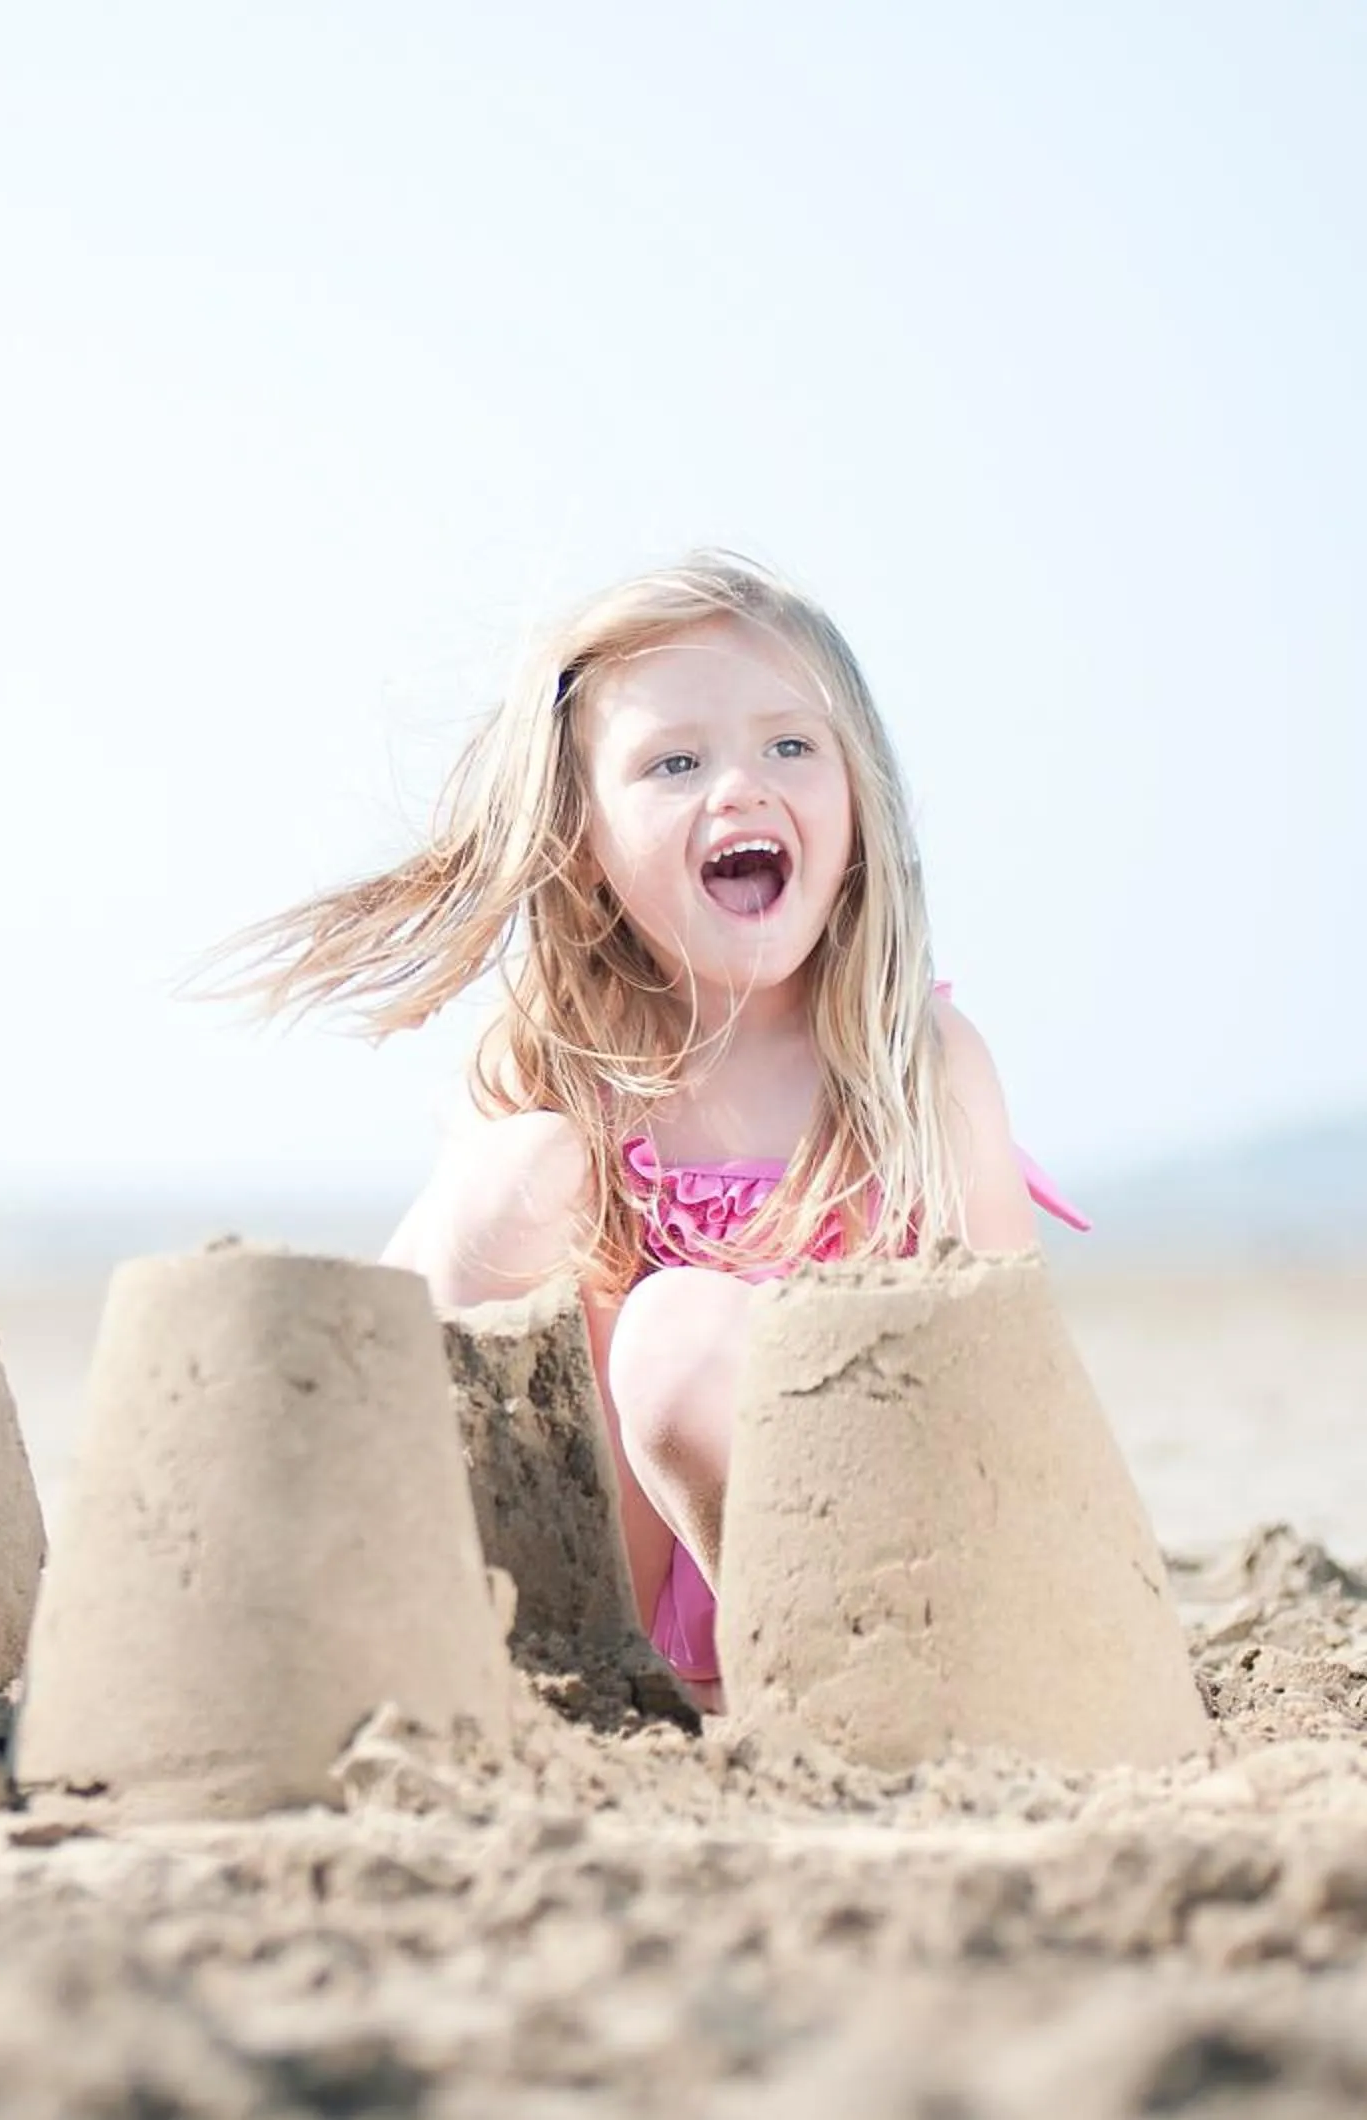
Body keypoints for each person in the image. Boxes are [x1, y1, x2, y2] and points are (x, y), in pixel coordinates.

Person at [217, 550, 1087, 1710]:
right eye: (676, 761)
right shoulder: (554, 1063)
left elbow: (1013, 1377)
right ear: (585, 845)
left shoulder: (917, 1065)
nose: (738, 787)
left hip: (852, 1591)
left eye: (791, 744)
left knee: (683, 1335)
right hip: (592, 1605)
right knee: (518, 1177)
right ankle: (347, 1611)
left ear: (859, 794)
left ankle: (790, 1685)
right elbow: (425, 1295)